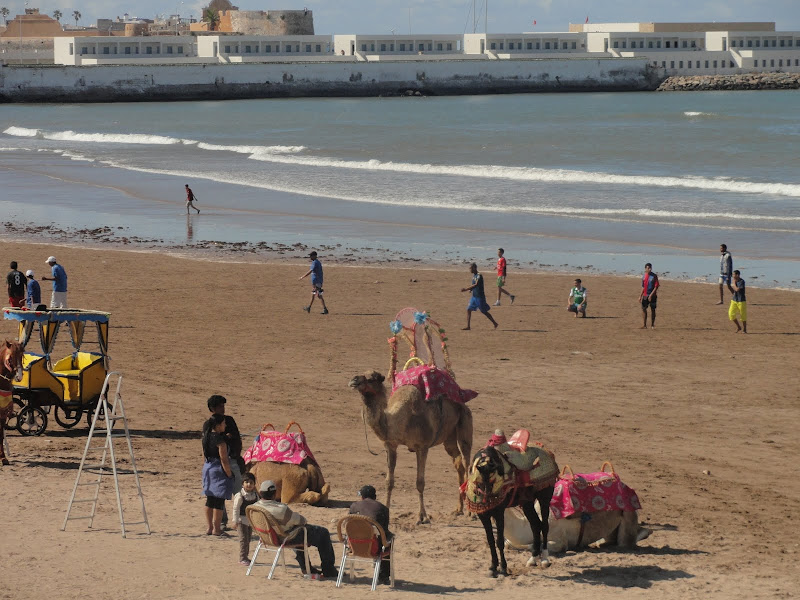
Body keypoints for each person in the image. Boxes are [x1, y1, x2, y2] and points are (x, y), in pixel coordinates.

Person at [255, 480, 338, 577]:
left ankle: (306, 568)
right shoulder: (280, 509)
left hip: (268, 537)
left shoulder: (254, 507)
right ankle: (328, 569)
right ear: (274, 494)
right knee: (323, 533)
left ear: (260, 493)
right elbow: (301, 521)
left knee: (297, 531)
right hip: (285, 538)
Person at [207, 395, 242, 529]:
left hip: (231, 460)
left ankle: (242, 519)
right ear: (213, 408)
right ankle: (221, 522)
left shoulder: (229, 421)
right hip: (220, 462)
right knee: (221, 493)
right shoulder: (210, 424)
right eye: (220, 406)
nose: (223, 408)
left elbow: (236, 438)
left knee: (239, 492)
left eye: (223, 405)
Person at [349, 484, 392, 584]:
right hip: (374, 548)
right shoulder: (383, 508)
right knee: (388, 541)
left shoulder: (354, 506)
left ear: (362, 497)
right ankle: (383, 576)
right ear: (375, 497)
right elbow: (384, 531)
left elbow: (349, 524)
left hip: (354, 546)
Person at [202, 414, 234, 536]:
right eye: (223, 423)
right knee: (219, 501)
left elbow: (204, 455)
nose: (225, 425)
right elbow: (224, 459)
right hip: (218, 469)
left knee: (209, 499)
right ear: (218, 425)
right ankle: (217, 529)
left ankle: (209, 527)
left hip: (208, 467)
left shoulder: (206, 436)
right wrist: (229, 474)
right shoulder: (220, 441)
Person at [461, 262, 498, 330]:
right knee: (468, 309)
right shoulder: (474, 276)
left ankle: (495, 323)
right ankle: (468, 326)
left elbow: (476, 284)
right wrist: (471, 290)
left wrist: (466, 289)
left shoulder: (479, 275)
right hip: (474, 296)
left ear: (474, 268)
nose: (470, 270)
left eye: (470, 268)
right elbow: (473, 285)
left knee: (484, 311)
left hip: (480, 297)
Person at [232, 472, 259, 565]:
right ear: (242, 484)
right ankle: (242, 558)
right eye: (246, 482)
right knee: (243, 539)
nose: (249, 484)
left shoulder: (255, 495)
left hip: (250, 521)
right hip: (241, 520)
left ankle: (246, 557)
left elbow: (258, 507)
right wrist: (235, 521)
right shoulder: (240, 496)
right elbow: (236, 509)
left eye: (251, 482)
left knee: (248, 539)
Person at [639, 263, 659, 329]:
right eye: (648, 268)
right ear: (645, 269)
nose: (650, 269)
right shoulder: (644, 276)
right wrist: (640, 296)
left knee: (653, 309)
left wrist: (651, 295)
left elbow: (656, 287)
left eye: (650, 268)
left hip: (653, 296)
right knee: (644, 309)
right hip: (645, 295)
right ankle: (644, 325)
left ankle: (652, 325)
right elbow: (643, 287)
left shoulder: (654, 276)